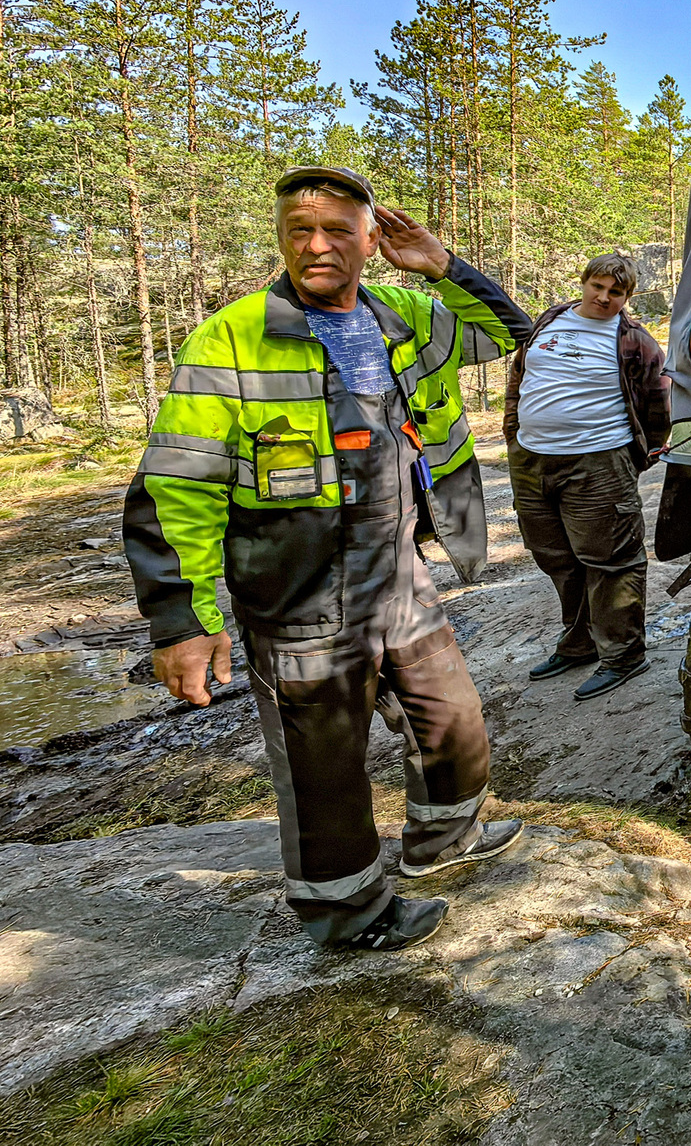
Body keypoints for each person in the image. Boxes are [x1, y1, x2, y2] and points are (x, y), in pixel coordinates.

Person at [124, 167, 535, 952]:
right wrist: (185, 621)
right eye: (298, 230)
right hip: (297, 589)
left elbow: (511, 332)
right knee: (324, 767)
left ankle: (443, 841)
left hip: (398, 573)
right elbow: (175, 486)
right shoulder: (233, 337)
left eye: (337, 230)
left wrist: (443, 265)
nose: (316, 245)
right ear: (281, 238)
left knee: (453, 722)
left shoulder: (405, 315)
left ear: (369, 240)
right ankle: (348, 913)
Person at [503, 252, 670, 699]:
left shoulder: (635, 341)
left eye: (616, 292)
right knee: (554, 554)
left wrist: (635, 460)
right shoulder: (550, 320)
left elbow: (659, 405)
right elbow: (519, 378)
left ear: (627, 297)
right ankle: (580, 643)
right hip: (533, 460)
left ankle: (623, 656)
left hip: (598, 463)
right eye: (597, 286)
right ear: (584, 283)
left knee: (611, 561)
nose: (604, 297)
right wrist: (513, 436)